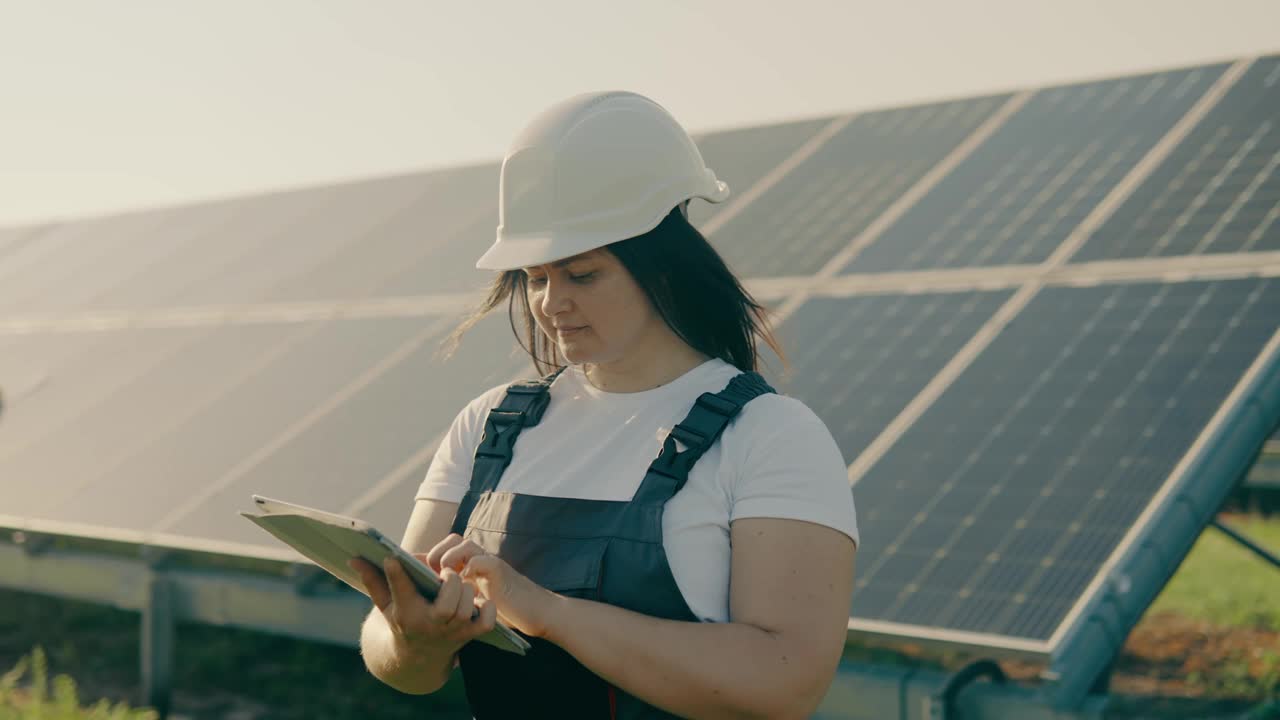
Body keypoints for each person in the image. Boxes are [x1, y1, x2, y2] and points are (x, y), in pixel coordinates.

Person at [349, 90, 858, 719]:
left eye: (582, 274)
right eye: (535, 278)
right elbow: (392, 647)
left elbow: (787, 682)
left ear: (665, 267)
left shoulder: (771, 435)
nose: (550, 303)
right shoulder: (488, 426)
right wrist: (412, 639)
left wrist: (545, 611)